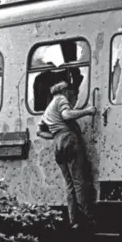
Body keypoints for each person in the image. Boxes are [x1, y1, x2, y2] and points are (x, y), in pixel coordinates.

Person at [36, 81, 97, 229]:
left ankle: (73, 220)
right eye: (71, 91)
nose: (72, 95)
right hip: (69, 140)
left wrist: (56, 135)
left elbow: (39, 131)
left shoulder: (49, 107)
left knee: (69, 184)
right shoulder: (61, 99)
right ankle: (87, 218)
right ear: (64, 91)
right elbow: (67, 115)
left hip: (58, 144)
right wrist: (88, 111)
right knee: (79, 181)